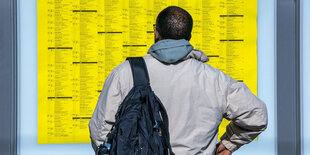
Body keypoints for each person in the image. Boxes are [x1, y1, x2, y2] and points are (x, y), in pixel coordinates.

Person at [89, 6, 268, 155]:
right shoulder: (215, 79)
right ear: (189, 36)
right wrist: (229, 144)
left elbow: (100, 131)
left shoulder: (125, 72)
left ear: (155, 32)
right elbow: (257, 116)